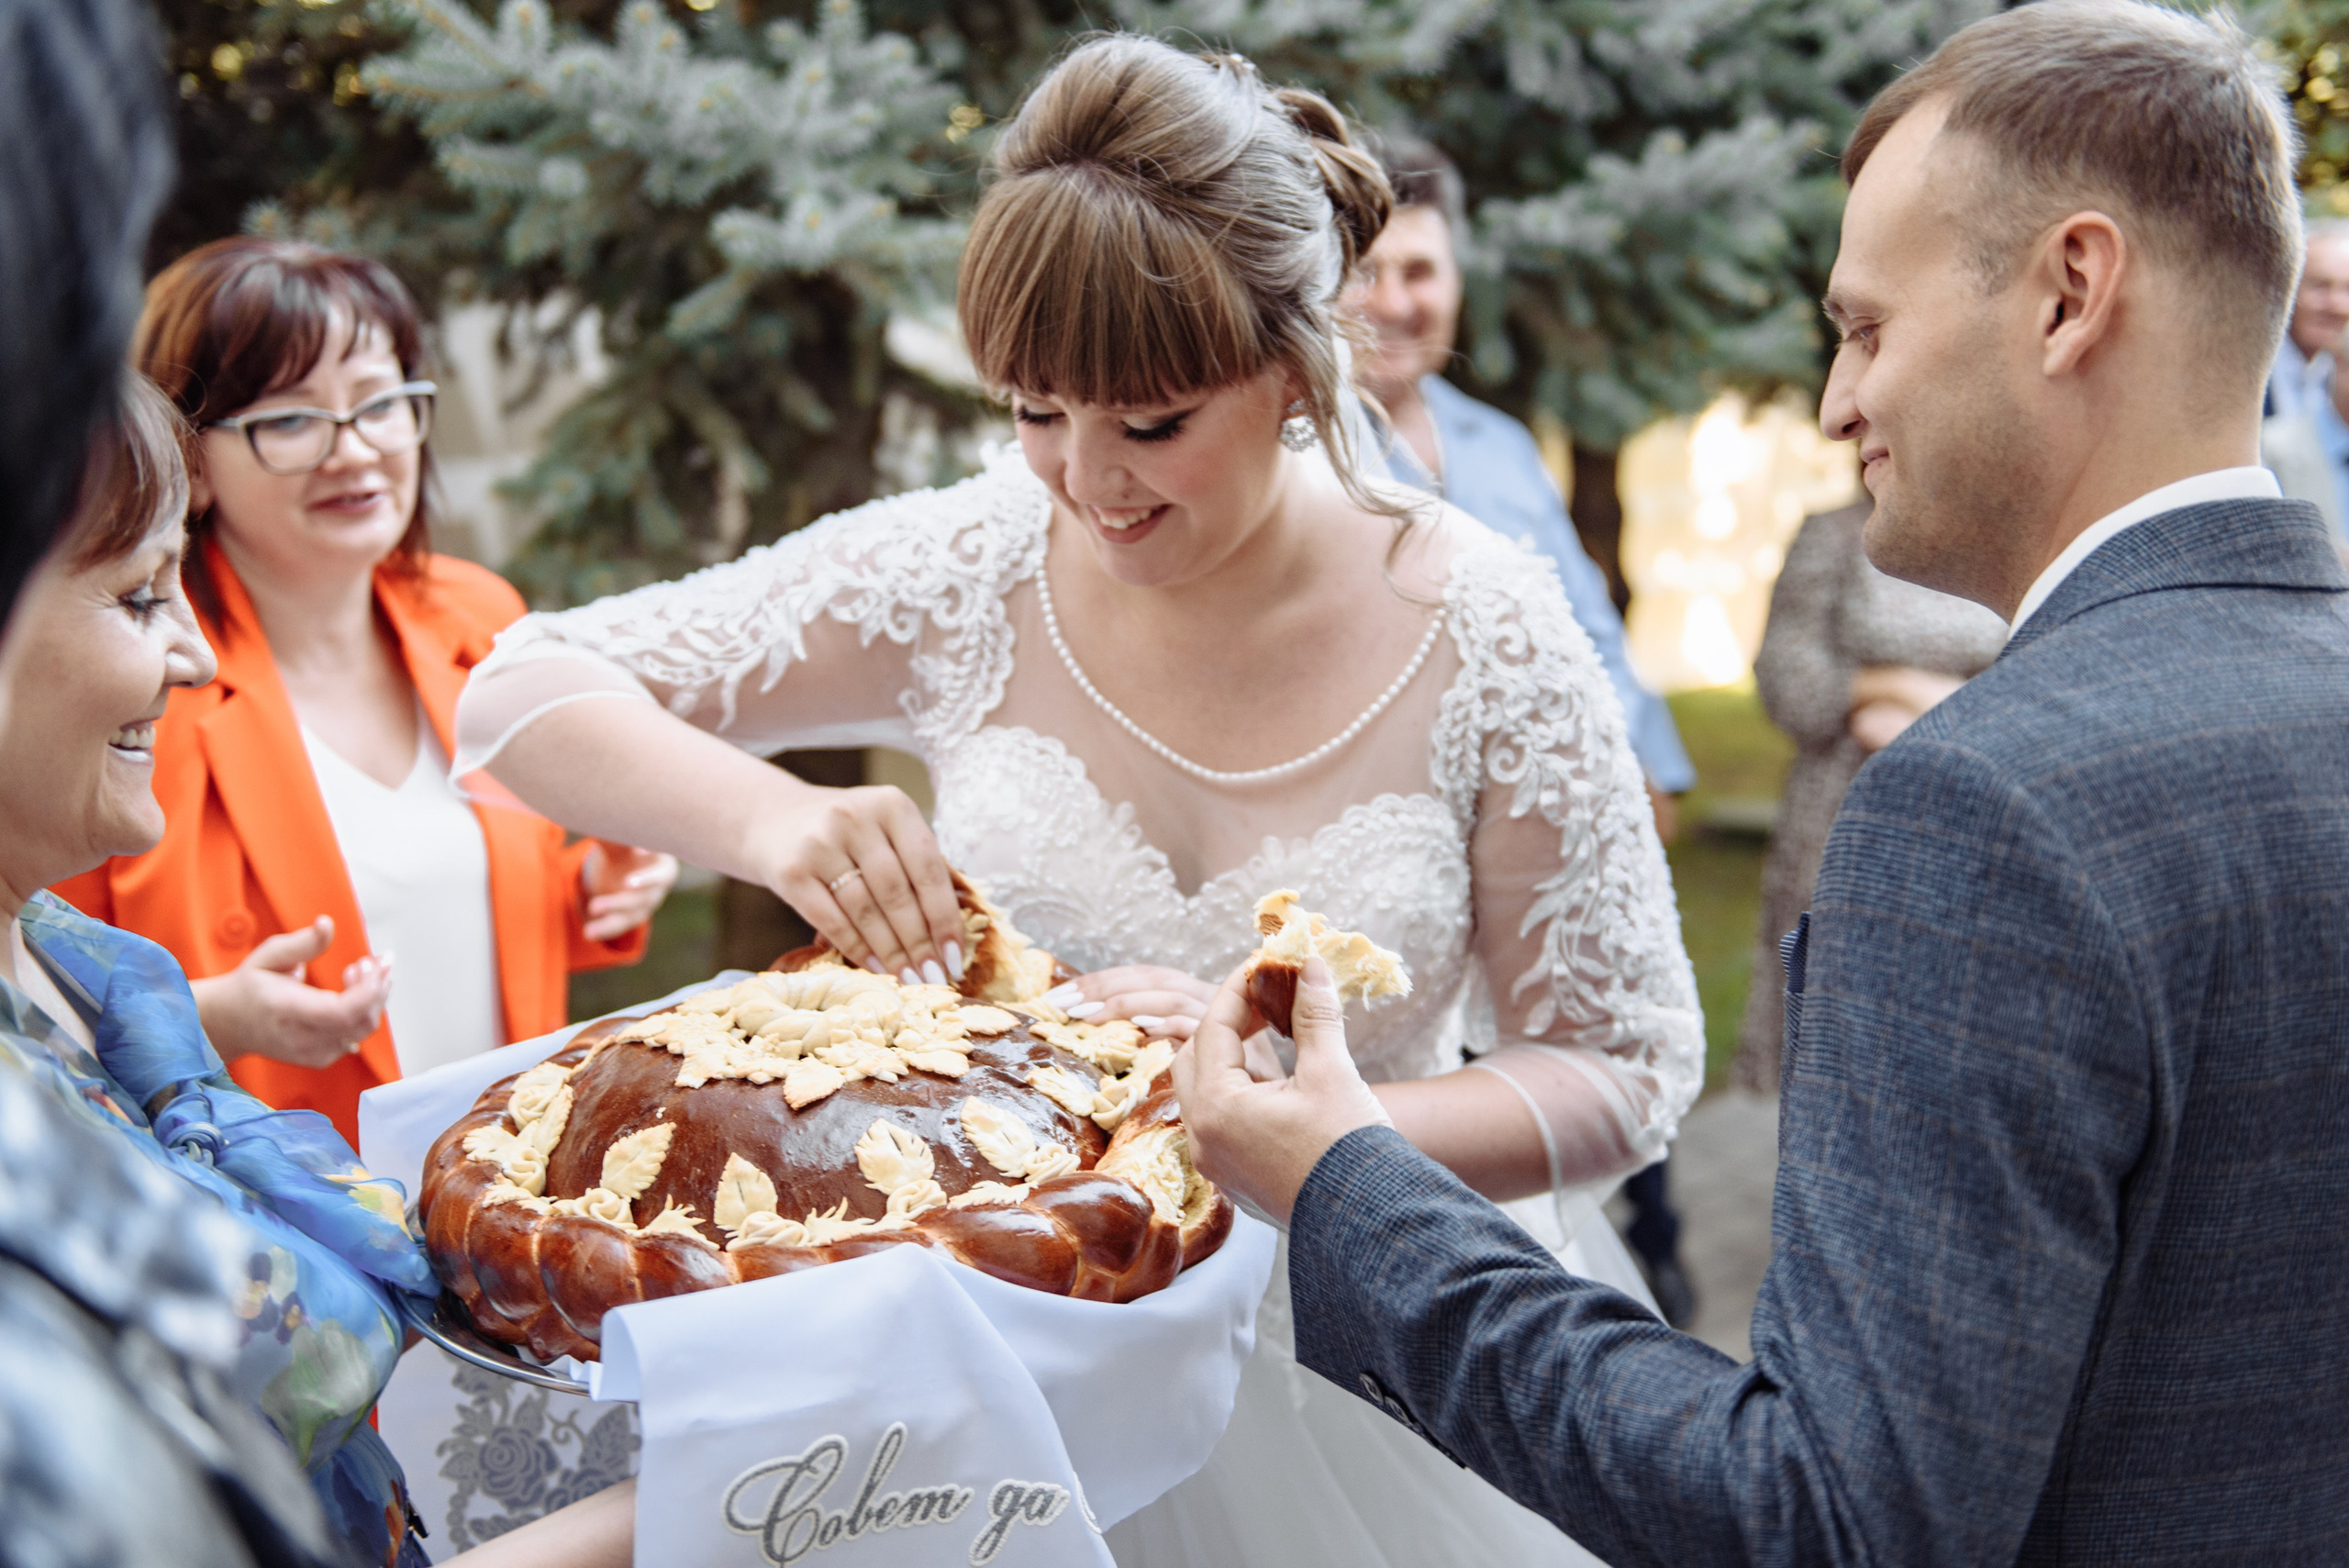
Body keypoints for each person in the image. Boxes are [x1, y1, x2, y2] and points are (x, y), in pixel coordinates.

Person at [451, 35, 1701, 1567]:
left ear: (1296, 361)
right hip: (993, 1396)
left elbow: (1624, 1066)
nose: (1088, 479)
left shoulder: (1486, 624)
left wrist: (1322, 1133)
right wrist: (773, 821)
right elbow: (513, 691)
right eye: (1038, 411)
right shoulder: (968, 564)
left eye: (1151, 422)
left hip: (1376, 1383)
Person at [1176, 4, 2349, 1563]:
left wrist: (1348, 1186)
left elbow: (1829, 1519)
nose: (1834, 402)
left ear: (2071, 293)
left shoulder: (1985, 813)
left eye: (1865, 326)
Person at [0, 370, 638, 1568]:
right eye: (140, 599)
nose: (187, 658)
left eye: (384, 398)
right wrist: (668, 1522)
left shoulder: (97, 971)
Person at [55, 238, 676, 1147]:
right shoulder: (139, 684)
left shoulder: (476, 617)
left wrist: (587, 886)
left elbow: (443, 896)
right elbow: (38, 997)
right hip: (282, 1236)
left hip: (499, 1190)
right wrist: (214, 1015)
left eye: (381, 402)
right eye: (292, 417)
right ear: (191, 458)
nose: (354, 449)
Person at [1353, 134, 1696, 827]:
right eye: (1365, 272)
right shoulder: (1293, 453)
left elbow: (1588, 624)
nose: (1393, 303)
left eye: (1419, 270)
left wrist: (1642, 760)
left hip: (1552, 817)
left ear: (1456, 276)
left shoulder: (1504, 446)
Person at [1730, 499, 2006, 1090]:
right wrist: (1895, 683)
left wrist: (1926, 708)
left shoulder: (2008, 534)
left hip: (1972, 805)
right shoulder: (1833, 534)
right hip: (1841, 807)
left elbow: (2040, 682)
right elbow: (1790, 681)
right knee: (1831, 1016)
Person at [2260, 221, 2349, 534]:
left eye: (2347, 289)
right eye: (2321, 286)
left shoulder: (2340, 379)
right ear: (2291, 289)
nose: (2336, 305)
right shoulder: (2250, 367)